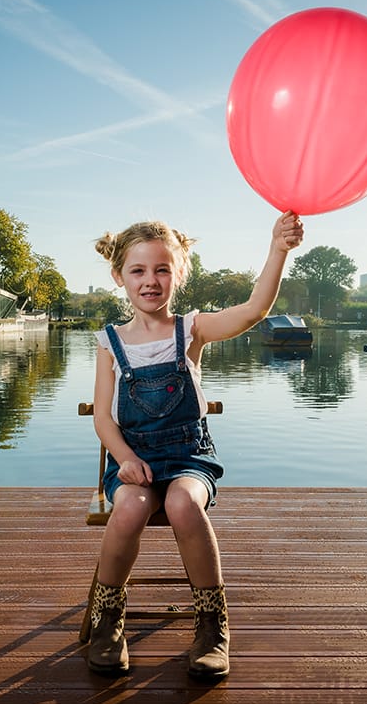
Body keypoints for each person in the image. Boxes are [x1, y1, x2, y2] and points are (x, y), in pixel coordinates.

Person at [88, 210, 304, 680]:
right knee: (129, 509)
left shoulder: (193, 329)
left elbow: (254, 310)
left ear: (179, 274)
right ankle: (108, 620)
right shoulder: (110, 342)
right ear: (119, 276)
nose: (150, 281)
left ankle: (211, 626)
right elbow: (104, 418)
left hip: (189, 458)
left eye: (162, 269)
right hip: (134, 463)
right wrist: (124, 460)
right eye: (139, 271)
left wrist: (278, 249)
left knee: (185, 504)